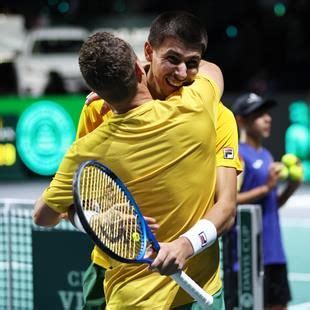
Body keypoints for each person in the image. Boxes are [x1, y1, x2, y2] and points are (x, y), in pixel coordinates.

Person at [34, 31, 224, 308]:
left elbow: (43, 216)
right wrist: (151, 67)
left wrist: (97, 222)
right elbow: (210, 69)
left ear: (97, 90)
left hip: (130, 300)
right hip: (196, 291)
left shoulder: (86, 149)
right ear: (139, 67)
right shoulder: (192, 107)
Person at [78, 11, 241, 308]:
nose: (181, 73)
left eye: (192, 64)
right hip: (116, 277)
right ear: (149, 52)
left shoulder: (218, 118)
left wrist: (186, 244)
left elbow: (227, 207)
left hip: (193, 284)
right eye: (172, 59)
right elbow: (80, 197)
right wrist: (100, 218)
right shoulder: (99, 110)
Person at [231, 92, 301, 310]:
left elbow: (271, 205)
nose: (267, 118)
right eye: (258, 114)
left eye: (267, 113)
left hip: (274, 252)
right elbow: (229, 202)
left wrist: (292, 186)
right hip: (247, 253)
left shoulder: (267, 155)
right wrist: (266, 187)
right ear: (241, 120)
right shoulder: (238, 156)